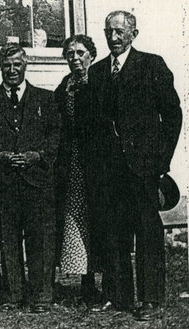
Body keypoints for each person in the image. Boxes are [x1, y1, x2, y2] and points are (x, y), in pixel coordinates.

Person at [88, 11, 182, 320]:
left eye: (119, 32)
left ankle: (150, 299)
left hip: (143, 167)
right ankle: (118, 296)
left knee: (146, 231)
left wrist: (160, 162)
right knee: (114, 232)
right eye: (108, 32)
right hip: (109, 169)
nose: (113, 38)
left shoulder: (152, 65)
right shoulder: (98, 71)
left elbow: (172, 115)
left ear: (133, 34)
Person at [0, 43, 61, 313]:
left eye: (17, 64)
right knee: (8, 241)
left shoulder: (45, 99)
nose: (12, 70)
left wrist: (39, 155)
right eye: (7, 65)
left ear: (26, 65)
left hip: (37, 181)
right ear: (0, 67)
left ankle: (41, 297)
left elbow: (56, 134)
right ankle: (14, 295)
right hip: (3, 182)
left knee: (40, 241)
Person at [53, 35, 99, 304]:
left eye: (80, 52)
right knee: (75, 221)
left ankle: (100, 283)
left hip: (96, 164)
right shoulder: (65, 85)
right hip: (72, 166)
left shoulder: (99, 81)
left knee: (97, 221)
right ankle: (85, 282)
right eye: (70, 53)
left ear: (91, 55)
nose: (75, 58)